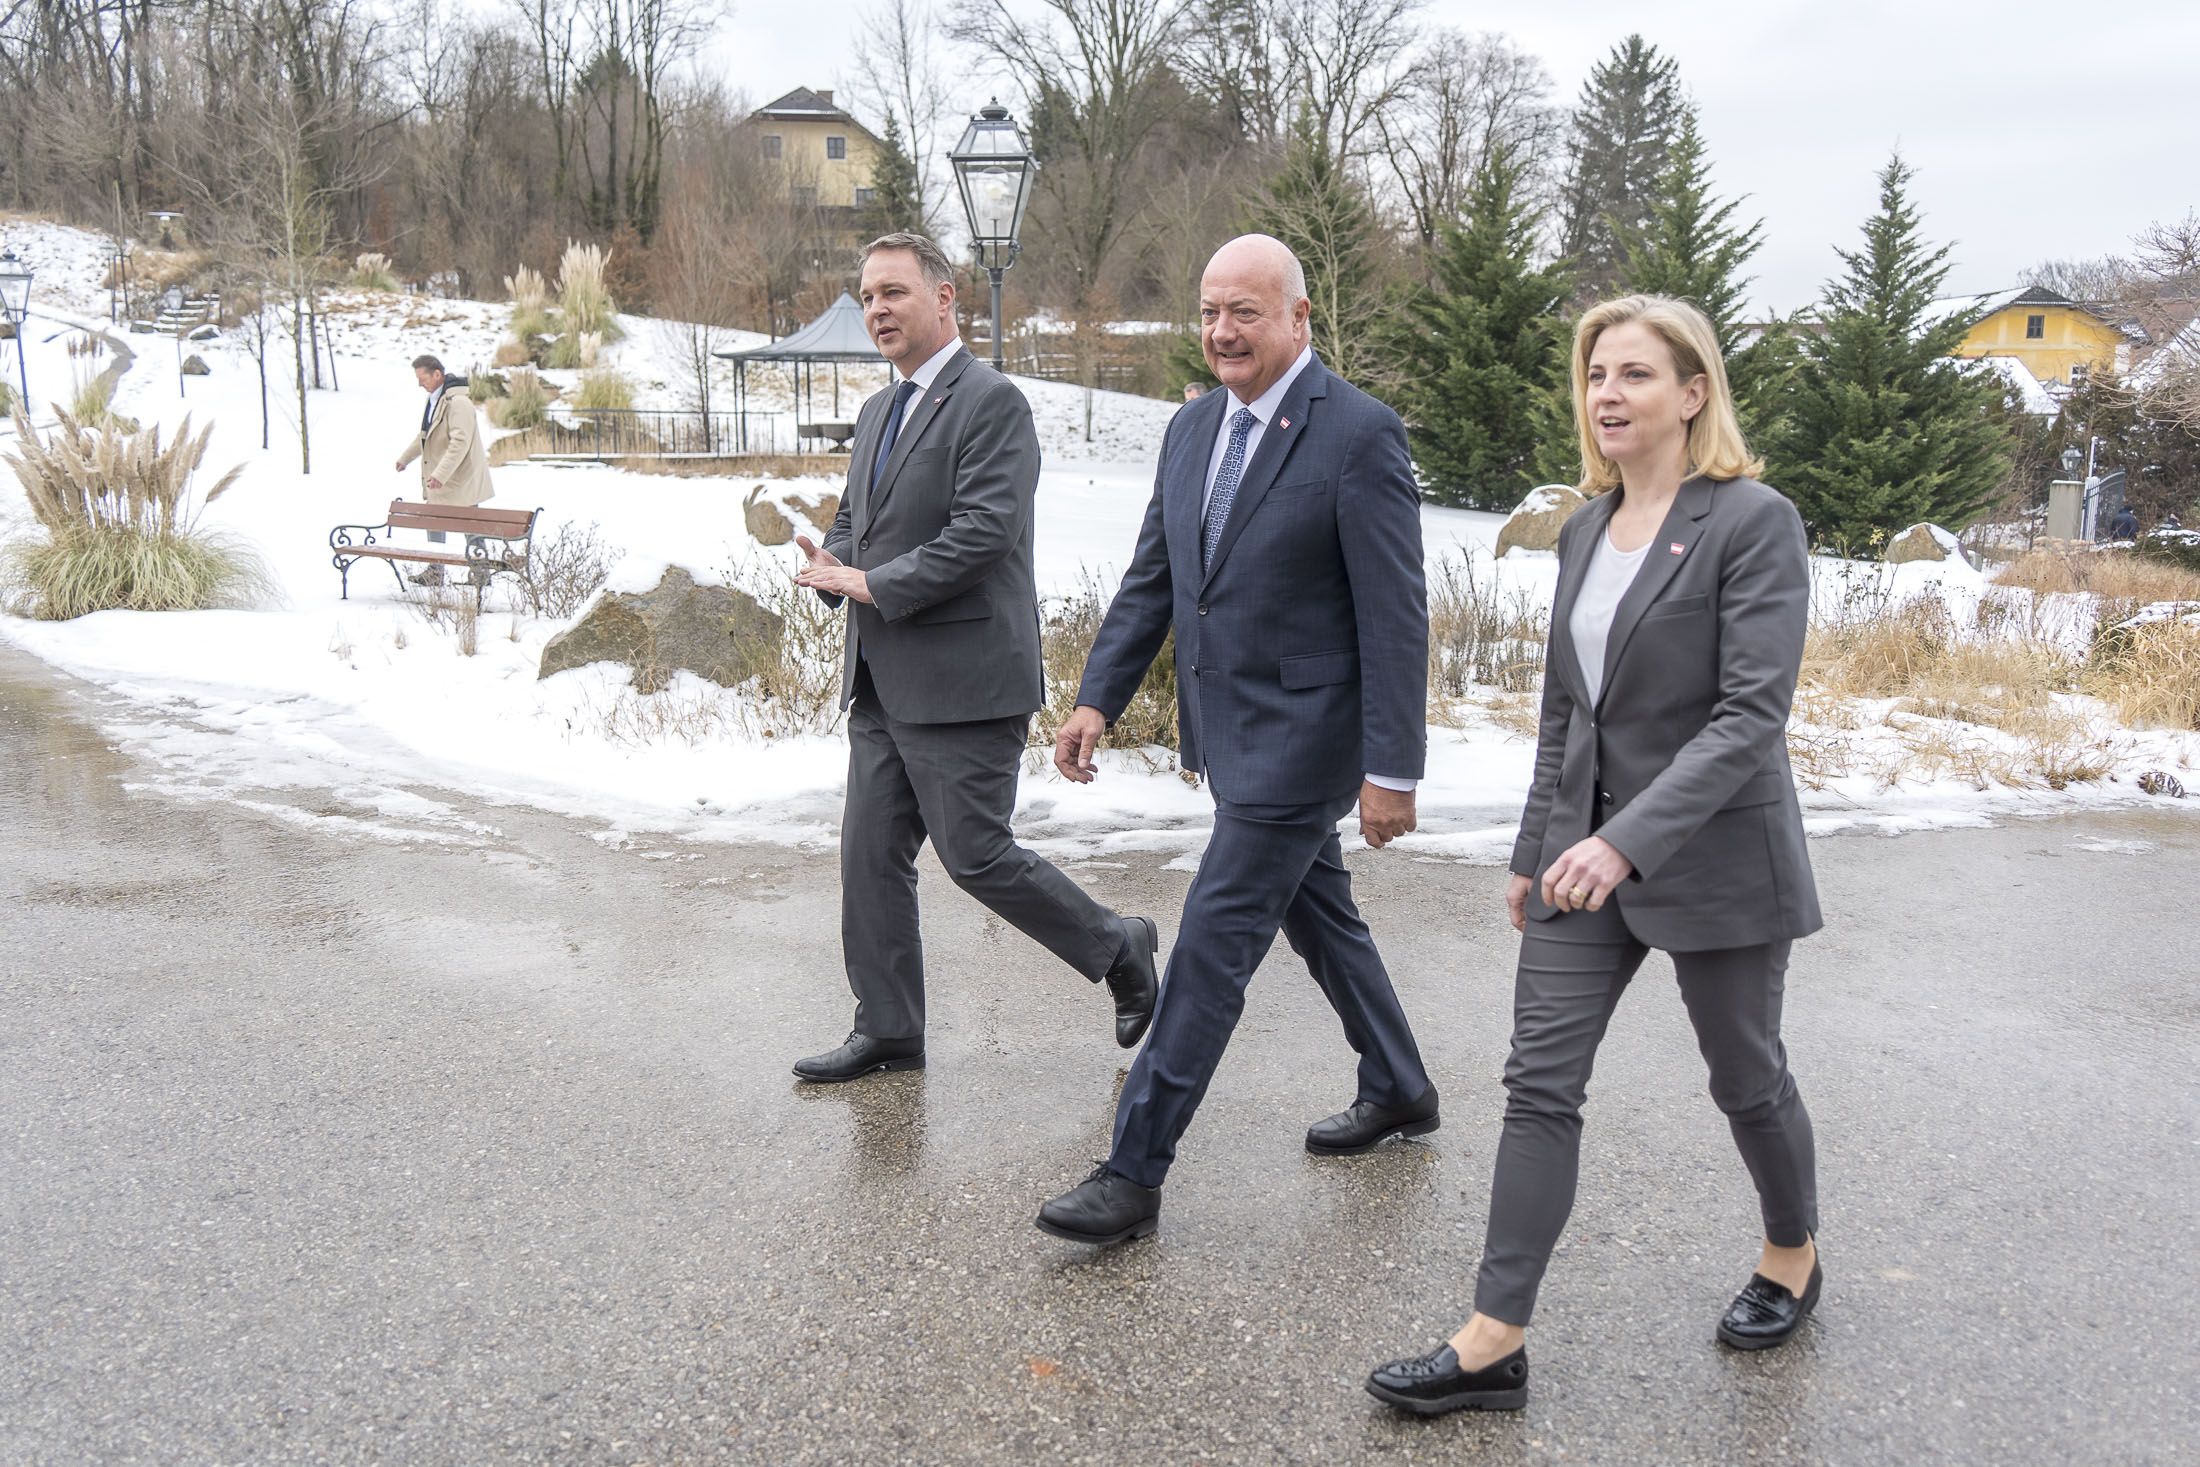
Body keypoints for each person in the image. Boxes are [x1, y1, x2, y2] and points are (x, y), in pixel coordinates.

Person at [1366, 295, 1825, 1417]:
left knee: (1744, 1074)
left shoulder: (1751, 521)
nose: (1607, 395)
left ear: (1693, 392)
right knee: (1538, 1086)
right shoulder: (1583, 526)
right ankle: (1493, 1339)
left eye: (1632, 374)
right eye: (1594, 377)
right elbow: (1567, 712)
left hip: (1711, 855)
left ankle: (1790, 1256)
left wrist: (1623, 843)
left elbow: (1748, 716)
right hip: (1581, 859)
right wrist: (1537, 848)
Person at [1034, 234, 1436, 1246]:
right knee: (1321, 915)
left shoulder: (1358, 435)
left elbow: (1394, 616)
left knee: (1211, 948)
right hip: (1228, 731)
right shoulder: (1191, 431)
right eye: (1211, 311)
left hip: (1303, 743)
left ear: (1298, 319)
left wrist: (1391, 768)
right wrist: (1097, 700)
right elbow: (1155, 580)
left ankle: (1133, 1170)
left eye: (1245, 311)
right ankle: (1397, 1082)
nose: (1222, 330)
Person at [789, 231, 1159, 1083]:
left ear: (945, 298)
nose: (877, 309)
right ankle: (887, 1027)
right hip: (880, 679)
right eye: (869, 295)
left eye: (894, 292)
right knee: (867, 857)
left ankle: (1120, 946)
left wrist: (870, 581)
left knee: (978, 856)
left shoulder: (992, 403)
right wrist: (830, 567)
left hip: (965, 680)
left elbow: (983, 535)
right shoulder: (881, 409)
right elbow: (855, 520)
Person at [394, 354, 493, 584]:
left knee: (471, 526)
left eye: (423, 378)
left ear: (437, 374)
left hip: (461, 478)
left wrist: (440, 474)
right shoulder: (435, 400)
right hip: (442, 478)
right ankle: (435, 572)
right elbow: (425, 436)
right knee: (434, 521)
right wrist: (405, 459)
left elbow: (460, 441)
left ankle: (481, 575)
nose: (420, 384)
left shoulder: (458, 403)